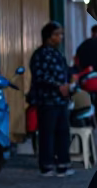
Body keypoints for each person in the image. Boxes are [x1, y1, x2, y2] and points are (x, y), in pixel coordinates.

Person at [29, 21, 74, 177]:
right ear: (48, 37)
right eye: (56, 34)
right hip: (47, 101)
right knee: (47, 134)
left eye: (60, 34)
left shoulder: (57, 54)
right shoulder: (40, 55)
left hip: (61, 101)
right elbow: (40, 76)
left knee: (63, 133)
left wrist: (68, 86)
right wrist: (57, 86)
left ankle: (63, 164)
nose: (60, 37)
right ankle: (46, 165)